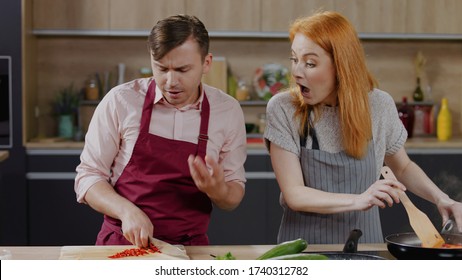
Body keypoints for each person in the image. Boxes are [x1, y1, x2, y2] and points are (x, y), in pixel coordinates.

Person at [264, 11, 462, 244]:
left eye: (310, 63)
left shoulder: (378, 105)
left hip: (366, 248)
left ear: (341, 66)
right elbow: (294, 194)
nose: (297, 72)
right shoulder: (283, 108)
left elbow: (403, 167)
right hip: (303, 251)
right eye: (294, 59)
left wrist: (441, 198)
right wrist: (360, 199)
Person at [75, 15, 247, 247]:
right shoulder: (121, 101)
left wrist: (218, 191)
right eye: (162, 68)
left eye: (182, 69)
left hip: (189, 251)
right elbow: (88, 177)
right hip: (122, 244)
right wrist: (126, 211)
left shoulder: (226, 111)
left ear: (207, 63)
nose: (170, 81)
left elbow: (233, 196)